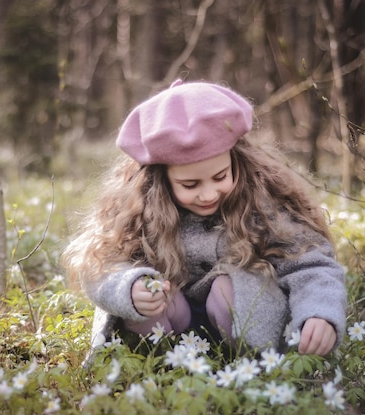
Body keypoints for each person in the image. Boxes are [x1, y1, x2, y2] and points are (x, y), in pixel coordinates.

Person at [62, 79, 347, 362]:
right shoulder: (140, 210)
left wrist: (319, 312)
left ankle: (251, 367)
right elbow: (100, 264)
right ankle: (160, 366)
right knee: (150, 293)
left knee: (226, 291)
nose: (208, 193)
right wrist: (129, 288)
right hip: (171, 326)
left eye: (220, 177)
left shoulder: (262, 202)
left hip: (249, 327)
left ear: (236, 160)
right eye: (190, 184)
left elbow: (312, 264)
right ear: (160, 179)